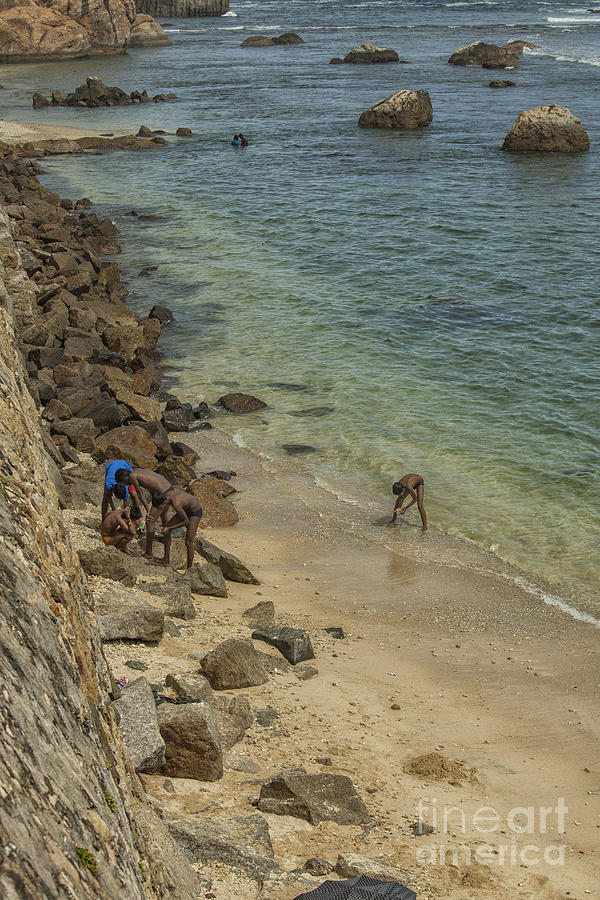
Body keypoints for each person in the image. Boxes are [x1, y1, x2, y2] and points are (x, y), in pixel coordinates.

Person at [114, 468, 178, 559]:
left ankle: (149, 552)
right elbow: (151, 486)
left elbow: (140, 494)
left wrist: (148, 510)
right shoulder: (137, 471)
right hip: (170, 489)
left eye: (123, 484)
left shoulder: (132, 477)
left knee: (149, 521)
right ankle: (165, 537)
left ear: (124, 479)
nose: (126, 485)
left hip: (162, 494)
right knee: (164, 516)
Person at [146, 489, 203, 569]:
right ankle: (166, 559)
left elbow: (186, 521)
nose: (160, 509)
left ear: (164, 503)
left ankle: (189, 570)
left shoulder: (176, 503)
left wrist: (169, 527)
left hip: (195, 512)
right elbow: (158, 510)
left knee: (188, 542)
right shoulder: (164, 497)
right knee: (166, 531)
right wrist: (149, 515)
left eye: (160, 507)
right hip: (185, 510)